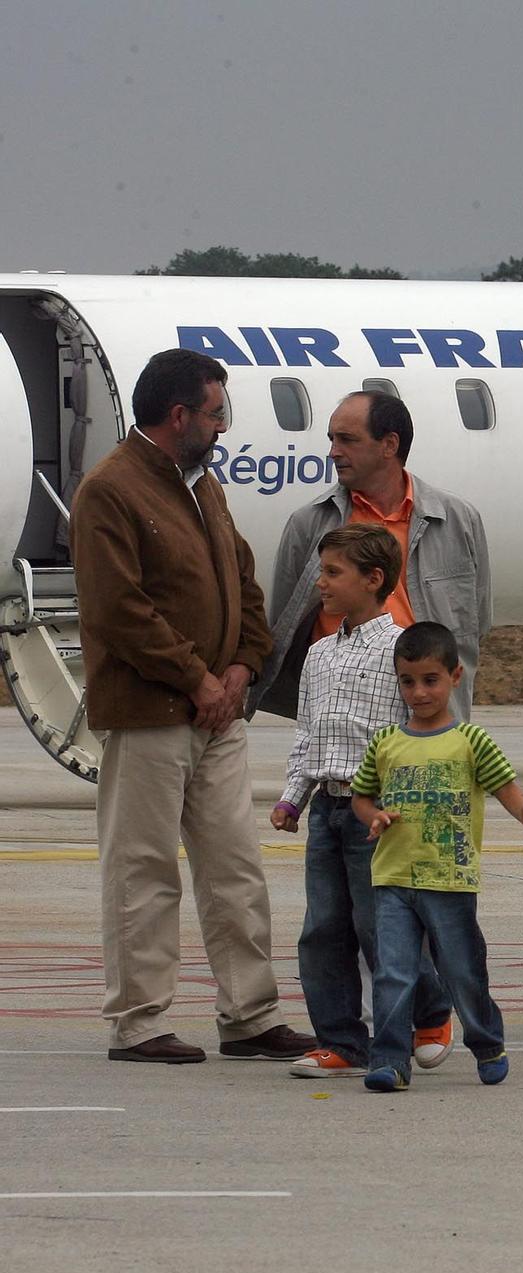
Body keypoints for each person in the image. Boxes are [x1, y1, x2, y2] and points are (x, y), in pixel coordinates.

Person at [69, 347, 315, 1064]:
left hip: (218, 715)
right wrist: (198, 679)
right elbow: (119, 609)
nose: (222, 427)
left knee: (234, 866)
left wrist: (243, 666)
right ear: (178, 415)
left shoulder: (203, 486)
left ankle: (250, 1013)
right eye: (216, 413)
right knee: (143, 867)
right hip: (150, 715)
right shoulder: (109, 491)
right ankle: (139, 1021)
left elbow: (244, 578)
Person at [271, 525, 458, 1078]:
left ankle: (428, 1013)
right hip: (327, 811)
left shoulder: (398, 650)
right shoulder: (319, 654)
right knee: (323, 928)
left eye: (334, 573)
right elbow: (308, 733)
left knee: (382, 928)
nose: (321, 584)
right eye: (321, 572)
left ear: (373, 579)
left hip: (376, 812)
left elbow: (416, 730)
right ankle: (341, 1041)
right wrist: (293, 797)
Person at [351, 622, 523, 1091]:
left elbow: (506, 788)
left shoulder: (470, 741)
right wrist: (373, 817)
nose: (418, 692)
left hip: (450, 881)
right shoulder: (385, 743)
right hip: (394, 879)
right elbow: (361, 798)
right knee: (394, 973)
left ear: (455, 676)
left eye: (430, 680)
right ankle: (391, 1060)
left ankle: (486, 1042)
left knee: (462, 970)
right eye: (407, 681)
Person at [252, 390, 491, 726]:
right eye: (332, 439)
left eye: (347, 440)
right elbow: (286, 623)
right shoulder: (308, 523)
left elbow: (476, 622)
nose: (334, 452)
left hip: (429, 717)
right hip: (341, 719)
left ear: (389, 445)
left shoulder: (459, 521)